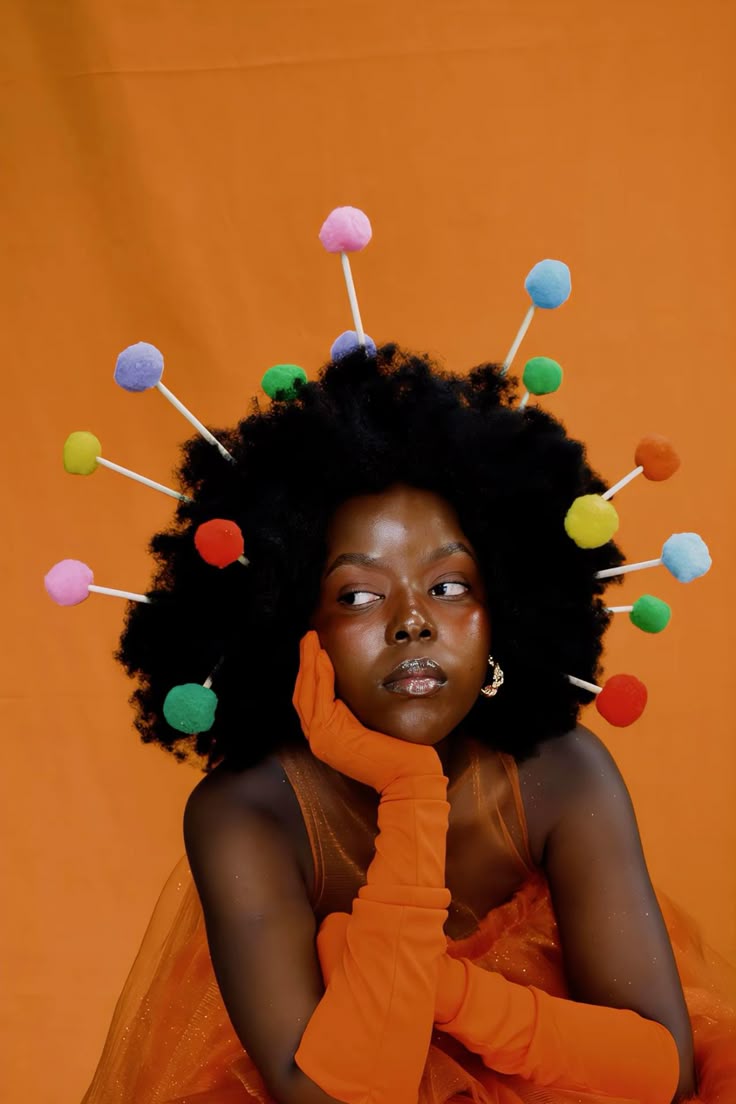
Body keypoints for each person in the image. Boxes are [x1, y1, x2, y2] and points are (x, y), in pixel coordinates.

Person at [81, 344, 735, 1103]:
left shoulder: (562, 773)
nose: (413, 623)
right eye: (358, 596)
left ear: (504, 611)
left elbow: (664, 1073)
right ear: (291, 625)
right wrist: (412, 789)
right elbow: (340, 1098)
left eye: (450, 586)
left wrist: (440, 989)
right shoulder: (246, 816)